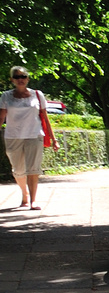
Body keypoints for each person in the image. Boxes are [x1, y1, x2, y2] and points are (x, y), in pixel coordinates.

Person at [1, 66, 57, 210]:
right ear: (12, 79)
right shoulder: (6, 96)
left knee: (33, 169)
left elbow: (45, 117)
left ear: (28, 79)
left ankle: (33, 200)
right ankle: (24, 193)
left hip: (34, 135)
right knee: (18, 170)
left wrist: (54, 139)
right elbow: (1, 116)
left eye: (23, 76)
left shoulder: (37, 95)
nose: (21, 79)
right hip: (13, 136)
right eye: (17, 77)